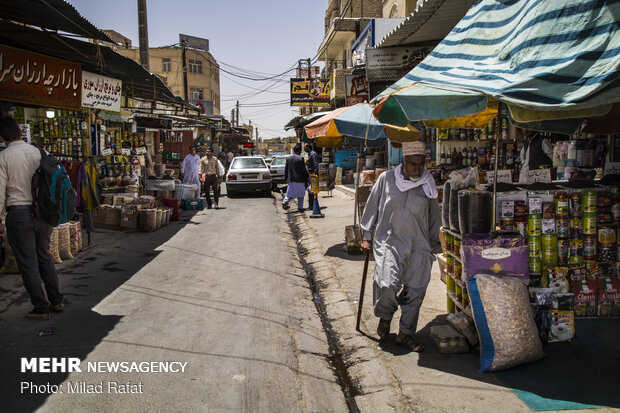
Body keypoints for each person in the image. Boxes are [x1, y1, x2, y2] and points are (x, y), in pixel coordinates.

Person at [360, 141, 441, 352]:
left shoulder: (428, 184)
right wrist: (366, 235)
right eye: (413, 164)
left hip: (420, 244)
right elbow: (371, 207)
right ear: (403, 161)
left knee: (416, 290)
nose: (417, 169)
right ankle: (385, 316)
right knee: (386, 284)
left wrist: (434, 243)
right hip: (390, 241)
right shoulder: (386, 179)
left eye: (421, 164)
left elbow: (434, 218)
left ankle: (405, 334)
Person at [0, 117, 64, 320]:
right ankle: (56, 300)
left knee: (28, 262)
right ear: (20, 131)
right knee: (44, 256)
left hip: (19, 214)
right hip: (43, 213)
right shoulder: (38, 151)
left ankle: (41, 307)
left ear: (2, 138)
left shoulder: (3, 157)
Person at [282, 143, 309, 213]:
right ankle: (300, 207)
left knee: (290, 193)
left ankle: (285, 201)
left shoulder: (288, 158)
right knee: (301, 195)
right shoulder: (300, 158)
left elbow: (286, 169)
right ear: (299, 151)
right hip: (300, 180)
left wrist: (285, 179)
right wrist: (307, 177)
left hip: (291, 180)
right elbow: (303, 170)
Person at [304, 143, 320, 210]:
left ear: (308, 147)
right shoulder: (310, 154)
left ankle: (312, 206)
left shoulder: (312, 154)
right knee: (311, 190)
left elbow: (316, 165)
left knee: (312, 191)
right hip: (311, 175)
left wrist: (314, 175)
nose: (304, 149)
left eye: (304, 147)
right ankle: (312, 205)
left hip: (313, 175)